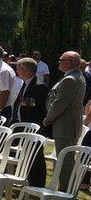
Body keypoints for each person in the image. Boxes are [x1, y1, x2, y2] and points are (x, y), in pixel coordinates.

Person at [43, 51, 87, 187]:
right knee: (65, 159)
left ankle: (65, 193)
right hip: (68, 125)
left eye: (61, 59)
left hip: (65, 125)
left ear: (70, 62)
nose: (59, 62)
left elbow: (59, 104)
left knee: (65, 161)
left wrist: (47, 119)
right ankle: (66, 190)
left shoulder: (70, 79)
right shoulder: (75, 76)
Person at [13, 57, 50, 188]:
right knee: (27, 153)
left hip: (35, 126)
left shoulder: (39, 86)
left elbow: (42, 109)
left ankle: (37, 184)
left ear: (27, 71)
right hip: (23, 124)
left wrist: (41, 128)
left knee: (36, 155)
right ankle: (27, 179)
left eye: (18, 68)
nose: (16, 70)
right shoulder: (25, 83)